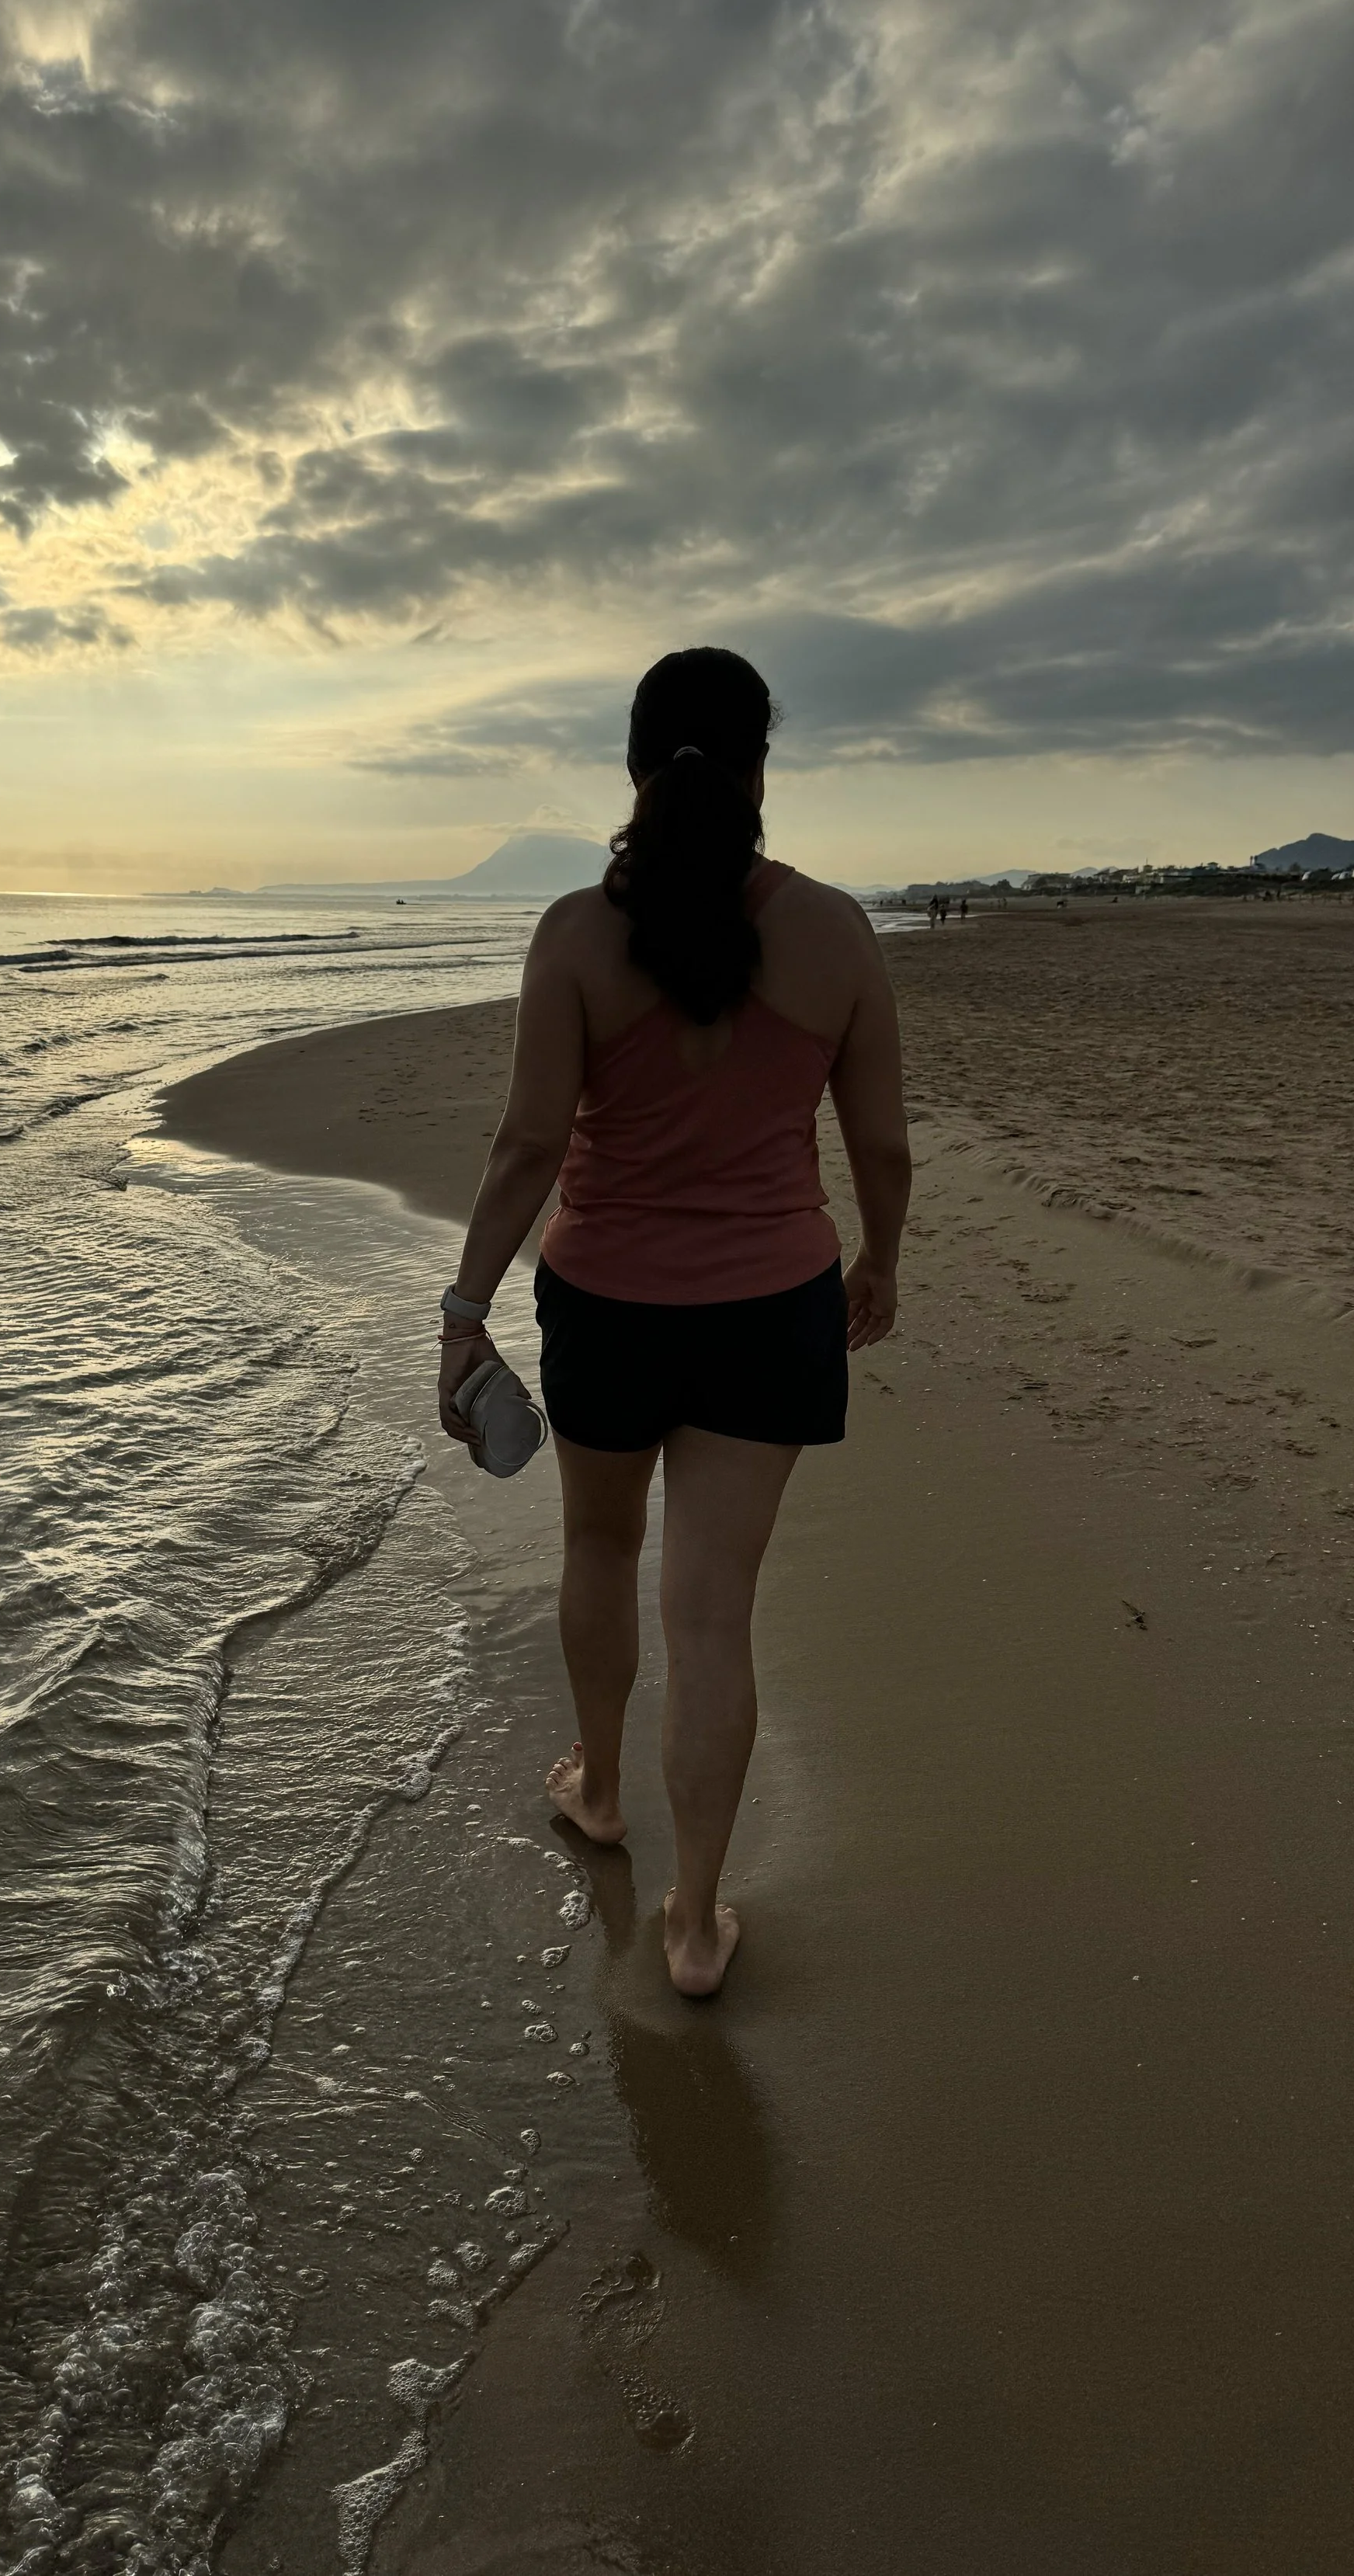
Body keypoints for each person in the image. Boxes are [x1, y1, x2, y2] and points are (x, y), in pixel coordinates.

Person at [435, 648, 910, 1997]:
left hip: (608, 1305)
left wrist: (464, 1312)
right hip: (772, 1309)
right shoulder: (833, 934)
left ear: (635, 771)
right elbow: (882, 1143)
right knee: (714, 1617)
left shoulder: (579, 936)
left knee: (600, 1545)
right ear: (761, 771)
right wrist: (878, 1261)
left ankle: (598, 1790)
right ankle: (697, 1925)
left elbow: (529, 1147)